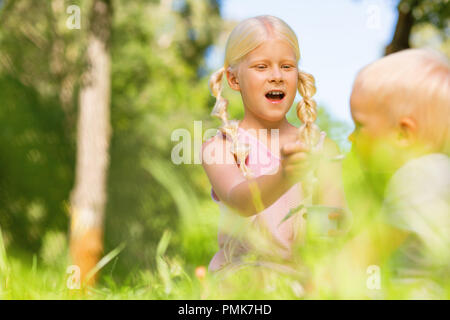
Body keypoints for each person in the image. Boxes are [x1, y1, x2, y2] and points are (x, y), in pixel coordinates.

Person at [201, 15, 346, 285]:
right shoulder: (219, 147)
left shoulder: (321, 147)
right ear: (234, 79)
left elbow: (333, 222)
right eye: (261, 67)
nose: (276, 76)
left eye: (286, 66)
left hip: (302, 283)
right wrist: (285, 175)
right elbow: (240, 200)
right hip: (240, 284)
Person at [330, 48, 449, 298]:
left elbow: (362, 256)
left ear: (403, 134)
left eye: (360, 125)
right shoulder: (437, 172)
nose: (351, 136)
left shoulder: (421, 175)